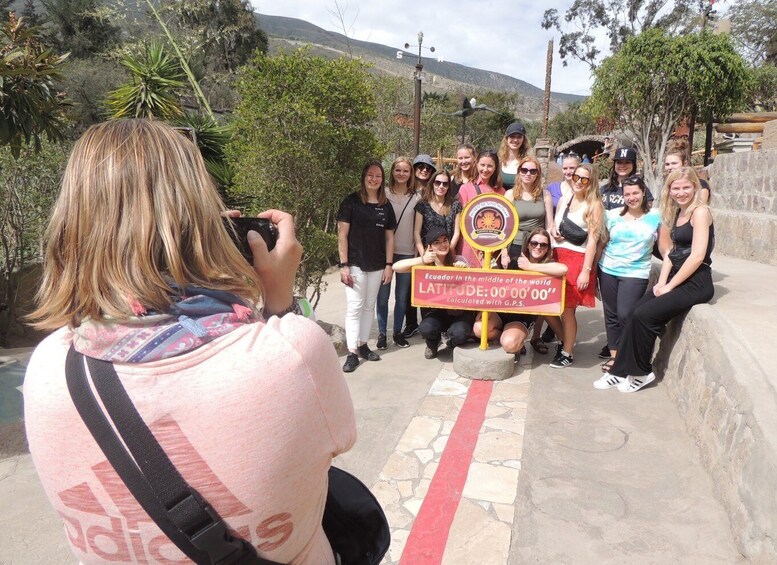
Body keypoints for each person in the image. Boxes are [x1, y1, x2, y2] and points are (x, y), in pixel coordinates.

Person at [24, 119, 356, 565]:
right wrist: (278, 301)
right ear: (201, 216)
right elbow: (336, 439)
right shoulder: (291, 352)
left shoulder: (49, 368)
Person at [594, 167, 714, 393]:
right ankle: (619, 371)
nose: (681, 193)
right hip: (677, 276)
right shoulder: (679, 213)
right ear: (669, 190)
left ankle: (641, 371)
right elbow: (672, 253)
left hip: (696, 281)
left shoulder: (700, 212)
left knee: (644, 315)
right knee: (633, 313)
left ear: (695, 187)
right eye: (675, 188)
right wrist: (661, 282)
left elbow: (697, 256)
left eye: (686, 187)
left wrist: (670, 285)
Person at [594, 175, 661, 375]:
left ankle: (627, 356)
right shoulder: (612, 215)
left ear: (643, 193)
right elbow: (601, 243)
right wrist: (592, 270)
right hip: (608, 269)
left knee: (626, 314)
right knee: (611, 315)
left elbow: (666, 249)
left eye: (635, 193)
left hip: (636, 272)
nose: (631, 197)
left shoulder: (656, 216)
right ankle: (615, 357)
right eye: (627, 194)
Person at [337, 159, 396, 372]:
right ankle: (352, 352)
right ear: (364, 177)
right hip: (355, 264)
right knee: (355, 307)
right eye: (370, 174)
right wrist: (343, 265)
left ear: (382, 179)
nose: (374, 179)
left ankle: (363, 344)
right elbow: (342, 235)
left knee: (369, 306)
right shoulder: (351, 202)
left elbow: (389, 238)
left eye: (378, 176)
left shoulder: (385, 205)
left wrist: (389, 264)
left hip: (378, 264)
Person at [478, 228, 566, 359]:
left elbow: (563, 269)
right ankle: (509, 337)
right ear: (528, 244)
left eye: (543, 245)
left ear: (548, 248)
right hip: (502, 312)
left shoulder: (547, 266)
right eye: (534, 243)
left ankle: (563, 343)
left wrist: (530, 267)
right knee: (479, 329)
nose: (538, 247)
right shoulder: (515, 261)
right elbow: (495, 283)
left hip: (521, 318)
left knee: (510, 344)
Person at [550, 163, 605, 368]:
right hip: (557, 255)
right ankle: (565, 340)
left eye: (584, 179)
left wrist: (586, 270)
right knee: (549, 306)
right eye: (576, 177)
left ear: (591, 183)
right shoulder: (565, 199)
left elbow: (593, 239)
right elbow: (557, 225)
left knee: (568, 309)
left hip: (576, 259)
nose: (579, 182)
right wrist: (554, 231)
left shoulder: (594, 205)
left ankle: (567, 352)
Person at [394, 227, 474, 359]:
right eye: (437, 242)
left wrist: (465, 270)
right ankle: (432, 343)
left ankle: (450, 341)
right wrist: (423, 259)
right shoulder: (426, 266)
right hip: (435, 313)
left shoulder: (458, 260)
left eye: (445, 240)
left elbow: (474, 285)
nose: (442, 245)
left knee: (460, 333)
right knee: (426, 328)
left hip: (458, 313)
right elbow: (396, 267)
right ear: (430, 246)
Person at [376, 157, 419, 350]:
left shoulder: (417, 197)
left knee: (402, 297)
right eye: (398, 170)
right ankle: (382, 333)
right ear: (392, 171)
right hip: (384, 253)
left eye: (406, 171)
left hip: (407, 252)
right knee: (382, 296)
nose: (402, 174)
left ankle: (398, 333)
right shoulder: (382, 194)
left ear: (411, 174)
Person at [456, 150, 506, 267]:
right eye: (482, 165)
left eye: (489, 166)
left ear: (495, 168)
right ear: (476, 164)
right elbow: (461, 220)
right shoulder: (466, 189)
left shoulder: (501, 191)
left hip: (493, 246)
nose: (485, 169)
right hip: (470, 245)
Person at [414, 169, 462, 255]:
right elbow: (416, 233)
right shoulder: (422, 205)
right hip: (427, 254)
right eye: (437, 182)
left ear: (448, 186)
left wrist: (448, 253)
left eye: (445, 184)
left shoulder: (455, 205)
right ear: (432, 183)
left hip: (447, 254)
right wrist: (424, 255)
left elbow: (457, 233)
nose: (441, 186)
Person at [498, 122, 532, 190]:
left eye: (519, 137)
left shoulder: (528, 162)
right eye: (512, 136)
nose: (515, 140)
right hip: (501, 199)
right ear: (507, 139)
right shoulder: (498, 161)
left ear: (523, 140)